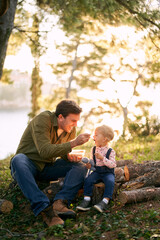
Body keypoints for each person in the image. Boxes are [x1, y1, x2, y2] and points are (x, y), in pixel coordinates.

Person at [10, 100, 90, 226]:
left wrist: (69, 157)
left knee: (82, 164)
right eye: (73, 121)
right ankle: (45, 210)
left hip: (47, 167)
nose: (75, 125)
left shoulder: (70, 130)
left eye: (77, 121)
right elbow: (45, 151)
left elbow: (61, 151)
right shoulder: (43, 120)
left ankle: (60, 202)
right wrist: (74, 143)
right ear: (60, 117)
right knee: (17, 159)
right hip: (28, 165)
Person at [76, 124, 116, 213]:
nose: (93, 137)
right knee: (88, 180)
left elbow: (113, 164)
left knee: (110, 181)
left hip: (107, 172)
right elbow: (93, 162)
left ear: (104, 139)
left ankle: (105, 201)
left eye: (96, 135)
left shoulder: (110, 151)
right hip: (97, 171)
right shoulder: (94, 149)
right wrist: (90, 165)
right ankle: (86, 200)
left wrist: (102, 158)